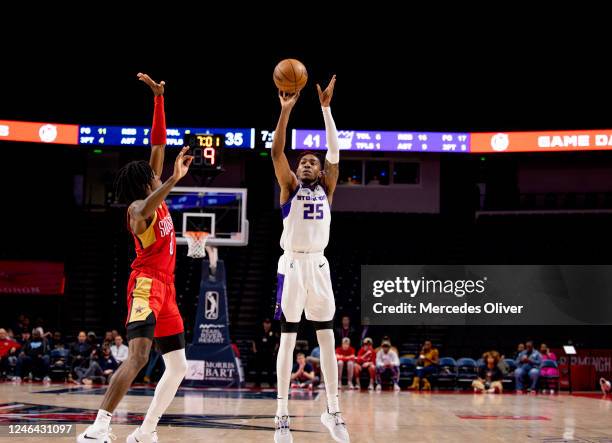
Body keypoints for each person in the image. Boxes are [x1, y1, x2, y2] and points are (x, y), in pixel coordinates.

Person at [77, 73, 193, 443]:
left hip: (167, 289)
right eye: (151, 176)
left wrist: (159, 99)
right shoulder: (137, 209)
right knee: (139, 356)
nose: (155, 173)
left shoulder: (153, 189)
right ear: (143, 182)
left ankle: (145, 431)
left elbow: (157, 142)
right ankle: (99, 425)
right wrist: (173, 181)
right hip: (145, 286)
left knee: (178, 366)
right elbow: (149, 200)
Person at [270, 75, 349, 443]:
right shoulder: (289, 188)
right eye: (302, 161)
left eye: (311, 162)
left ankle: (334, 411)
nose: (305, 164)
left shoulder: (327, 188)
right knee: (287, 341)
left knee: (328, 339)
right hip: (291, 265)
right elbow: (276, 153)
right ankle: (282, 413)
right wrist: (285, 111)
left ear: (320, 173)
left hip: (319, 266)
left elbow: (334, 153)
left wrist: (326, 109)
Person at [251, 318, 278, 387]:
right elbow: (254, 340)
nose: (267, 325)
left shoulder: (273, 332)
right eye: (266, 323)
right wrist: (254, 349)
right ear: (263, 324)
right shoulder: (259, 331)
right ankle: (257, 383)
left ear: (270, 324)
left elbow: (277, 342)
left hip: (269, 353)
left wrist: (274, 351)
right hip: (260, 353)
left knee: (270, 370)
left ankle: (271, 384)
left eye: (268, 323)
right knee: (258, 369)